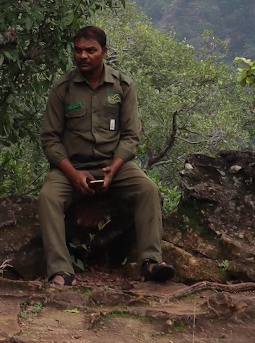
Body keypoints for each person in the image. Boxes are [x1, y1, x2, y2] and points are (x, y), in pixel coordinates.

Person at [37, 25, 174, 287]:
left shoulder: (122, 86)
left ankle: (150, 263)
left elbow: (132, 136)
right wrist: (73, 173)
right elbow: (50, 139)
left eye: (91, 50)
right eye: (78, 50)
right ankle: (61, 270)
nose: (83, 56)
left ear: (104, 52)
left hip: (116, 166)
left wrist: (113, 168)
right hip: (72, 168)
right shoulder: (63, 89)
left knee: (148, 190)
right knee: (47, 198)